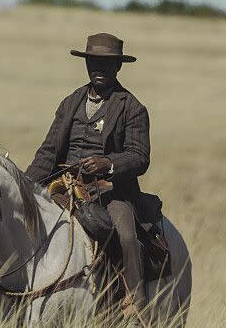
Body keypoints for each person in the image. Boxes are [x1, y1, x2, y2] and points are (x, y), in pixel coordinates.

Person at [25, 33, 150, 315]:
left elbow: (140, 157)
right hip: (62, 185)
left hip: (109, 190)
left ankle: (136, 299)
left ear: (118, 67)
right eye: (93, 61)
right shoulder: (70, 102)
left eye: (106, 63)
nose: (98, 68)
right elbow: (48, 152)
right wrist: (25, 186)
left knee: (127, 234)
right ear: (86, 62)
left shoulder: (132, 107)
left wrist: (108, 163)